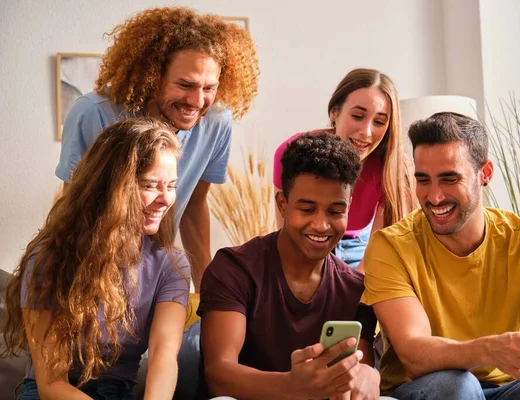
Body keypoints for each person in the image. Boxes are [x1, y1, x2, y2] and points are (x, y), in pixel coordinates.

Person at [360, 112, 520, 399]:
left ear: (484, 174)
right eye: (423, 180)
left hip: (510, 389)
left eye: (449, 179)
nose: (434, 197)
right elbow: (414, 352)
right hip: (431, 388)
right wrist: (487, 349)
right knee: (458, 385)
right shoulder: (391, 246)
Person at [56, 6, 259, 291]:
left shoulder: (216, 122)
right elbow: (73, 208)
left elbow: (194, 206)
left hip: (157, 271)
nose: (197, 101)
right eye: (185, 85)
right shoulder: (94, 113)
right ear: (153, 76)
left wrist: (206, 291)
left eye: (209, 88)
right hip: (94, 265)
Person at [2, 118, 191, 399]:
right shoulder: (49, 259)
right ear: (112, 188)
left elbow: (164, 355)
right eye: (151, 185)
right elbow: (51, 383)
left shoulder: (171, 266)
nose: (166, 199)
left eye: (172, 185)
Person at [199, 133, 390, 400]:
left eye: (335, 211)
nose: (322, 225)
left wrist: (368, 377)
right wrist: (293, 386)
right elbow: (219, 375)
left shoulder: (355, 290)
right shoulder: (234, 269)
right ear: (283, 204)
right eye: (307, 209)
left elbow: (356, 372)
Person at [273, 68, 416, 272]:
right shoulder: (292, 155)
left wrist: (351, 289)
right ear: (334, 112)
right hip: (308, 245)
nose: (366, 133)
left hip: (362, 248)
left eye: (379, 122)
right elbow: (288, 240)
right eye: (358, 116)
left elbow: (379, 257)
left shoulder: (393, 168)